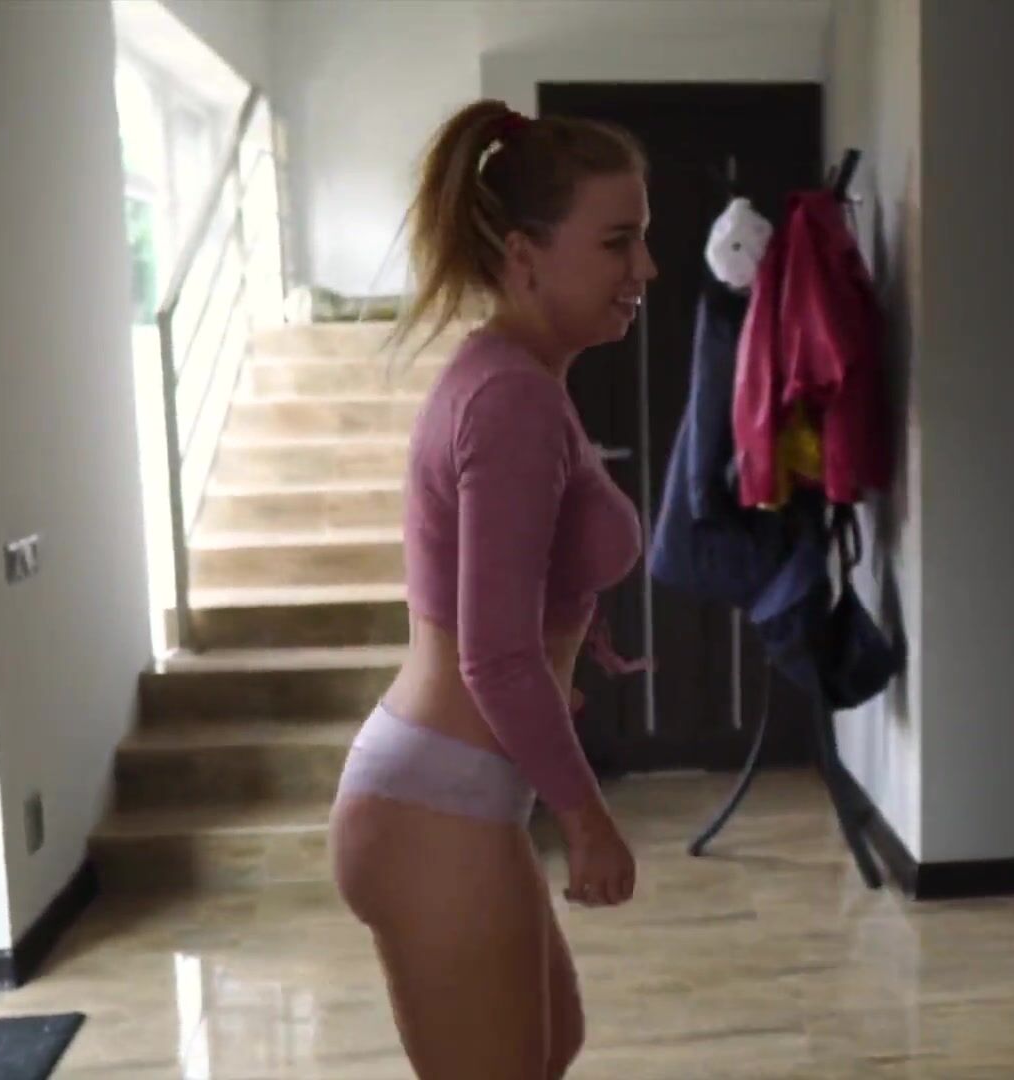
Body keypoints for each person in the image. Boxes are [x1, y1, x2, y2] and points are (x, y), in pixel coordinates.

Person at [327, 98, 658, 1080]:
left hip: (448, 793)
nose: (645, 269)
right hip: (434, 808)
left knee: (552, 1046)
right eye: (618, 242)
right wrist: (587, 820)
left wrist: (568, 659)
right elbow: (496, 656)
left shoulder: (517, 377)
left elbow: (517, 609)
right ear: (524, 256)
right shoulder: (512, 396)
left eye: (642, 240)